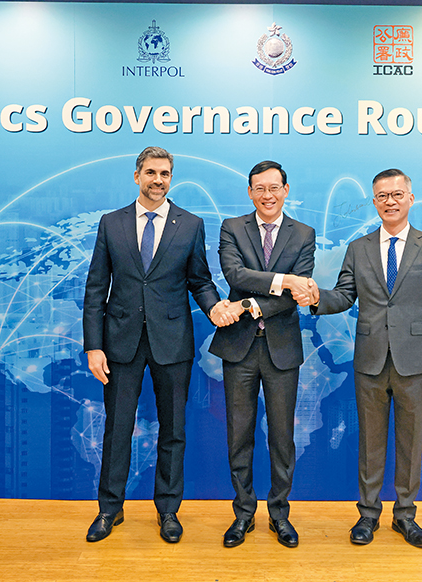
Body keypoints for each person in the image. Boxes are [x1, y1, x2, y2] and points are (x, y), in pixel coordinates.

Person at [82, 146, 236, 543]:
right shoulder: (111, 223)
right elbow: (96, 287)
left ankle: (168, 511)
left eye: (165, 173)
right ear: (137, 176)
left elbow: (199, 280)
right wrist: (93, 346)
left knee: (173, 430)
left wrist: (214, 307)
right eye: (151, 172)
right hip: (120, 344)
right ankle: (109, 510)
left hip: (172, 342)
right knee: (117, 429)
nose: (158, 180)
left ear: (171, 178)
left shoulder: (191, 224)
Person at [299, 168, 422, 548]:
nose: (390, 201)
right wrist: (317, 297)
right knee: (370, 442)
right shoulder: (359, 248)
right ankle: (368, 515)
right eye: (382, 196)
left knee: (411, 443)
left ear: (410, 198)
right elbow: (344, 295)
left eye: (397, 194)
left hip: (416, 362)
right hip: (369, 361)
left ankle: (405, 516)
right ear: (374, 202)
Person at [208, 161, 316, 548]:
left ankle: (279, 514)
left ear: (286, 190)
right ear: (250, 192)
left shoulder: (303, 234)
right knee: (239, 436)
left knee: (282, 437)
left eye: (274, 188)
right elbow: (235, 275)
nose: (267, 195)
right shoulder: (232, 228)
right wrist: (285, 280)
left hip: (281, 350)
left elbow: (297, 296)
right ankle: (243, 514)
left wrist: (248, 305)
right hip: (239, 349)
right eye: (259, 188)